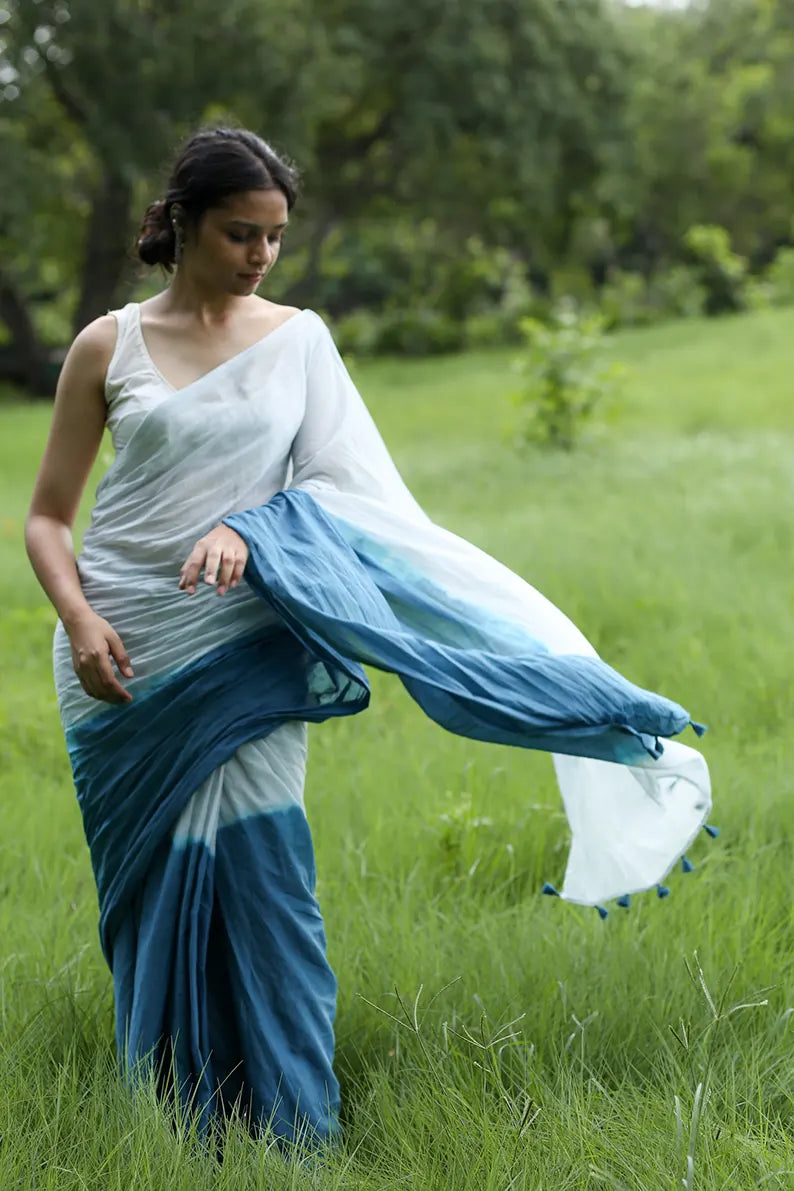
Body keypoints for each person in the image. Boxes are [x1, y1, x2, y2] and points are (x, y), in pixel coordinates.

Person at [25, 126, 711, 1148]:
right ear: (179, 223)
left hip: (244, 640)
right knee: (147, 895)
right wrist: (78, 618)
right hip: (119, 648)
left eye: (274, 236)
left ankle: (295, 1133)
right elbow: (47, 517)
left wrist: (249, 526)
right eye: (238, 233)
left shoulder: (298, 341)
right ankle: (171, 1123)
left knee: (268, 886)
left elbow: (348, 494)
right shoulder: (106, 344)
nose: (259, 255)